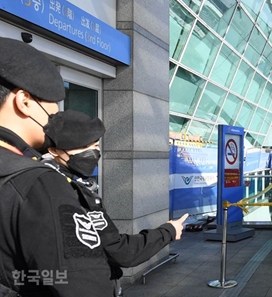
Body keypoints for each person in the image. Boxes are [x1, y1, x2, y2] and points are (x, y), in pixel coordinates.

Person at [1, 37, 119, 296]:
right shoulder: (39, 183)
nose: (53, 119)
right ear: (25, 101)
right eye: (51, 112)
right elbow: (79, 283)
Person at [41, 110, 188, 296]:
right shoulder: (66, 190)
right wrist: (169, 231)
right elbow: (120, 252)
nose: (93, 152)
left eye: (95, 144)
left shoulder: (50, 177)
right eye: (82, 146)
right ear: (53, 150)